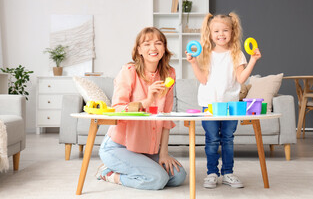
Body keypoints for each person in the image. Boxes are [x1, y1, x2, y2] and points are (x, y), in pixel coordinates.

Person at [96, 27, 187, 190]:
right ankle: (109, 174)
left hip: (146, 149)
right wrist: (146, 101)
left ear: (164, 48)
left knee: (179, 176)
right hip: (118, 147)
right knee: (157, 179)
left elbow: (165, 118)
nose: (153, 48)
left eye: (158, 43)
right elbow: (117, 109)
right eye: (147, 44)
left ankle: (139, 169)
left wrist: (164, 153)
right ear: (139, 49)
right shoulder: (129, 72)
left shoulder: (169, 74)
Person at [186, 12, 261, 189]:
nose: (221, 34)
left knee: (227, 139)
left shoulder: (237, 54)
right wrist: (193, 63)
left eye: (225, 30)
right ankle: (212, 173)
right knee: (212, 139)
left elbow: (241, 79)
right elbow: (203, 80)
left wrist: (253, 60)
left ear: (232, 31)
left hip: (230, 105)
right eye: (216, 31)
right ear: (210, 33)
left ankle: (228, 173)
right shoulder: (205, 54)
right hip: (209, 104)